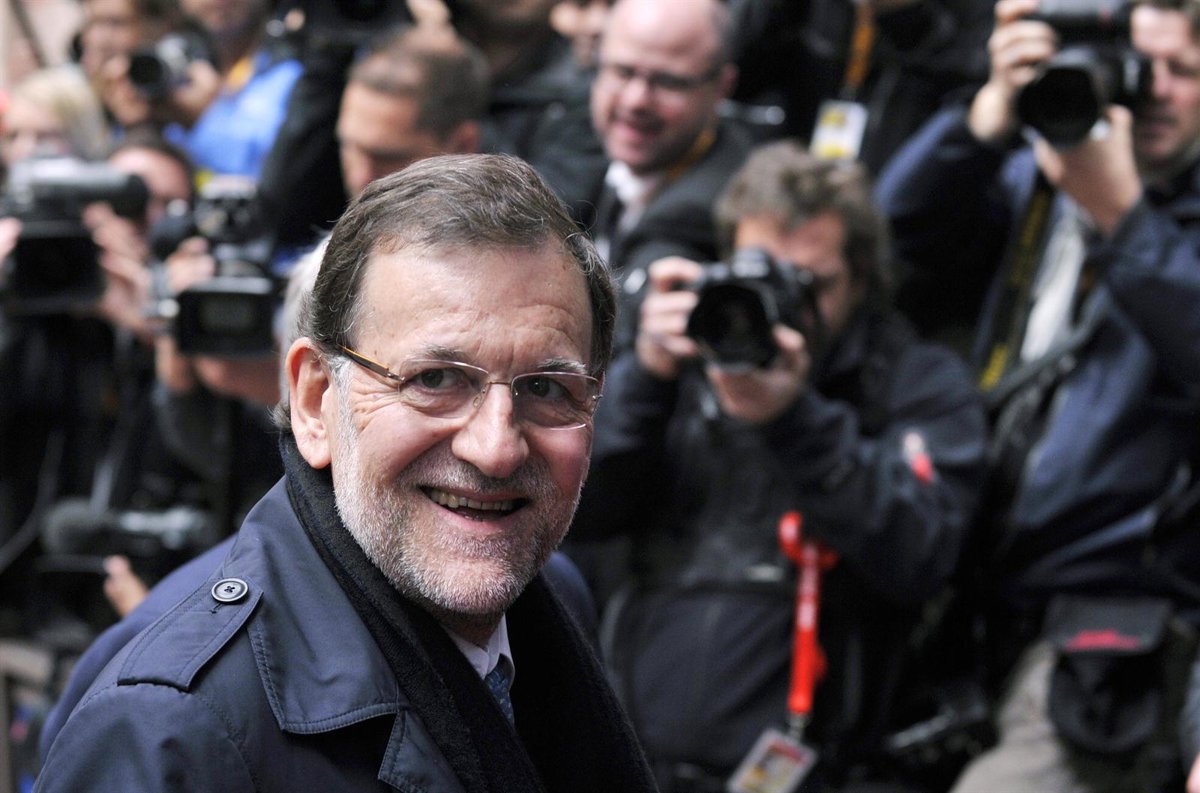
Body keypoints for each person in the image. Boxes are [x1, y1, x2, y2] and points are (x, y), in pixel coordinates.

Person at [35, 152, 653, 793]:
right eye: (434, 380)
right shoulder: (170, 732)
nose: (495, 449)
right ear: (313, 401)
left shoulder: (551, 612)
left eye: (547, 388)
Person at [570, 140, 988, 791]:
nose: (785, 305)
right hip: (633, 762)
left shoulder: (914, 382)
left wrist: (795, 420)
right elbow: (572, 515)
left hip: (827, 770)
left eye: (811, 285)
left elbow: (921, 552)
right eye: (762, 275)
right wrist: (645, 377)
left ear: (862, 278)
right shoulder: (682, 369)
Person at [875, 0, 1200, 789]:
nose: (1150, 88)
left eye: (1182, 71)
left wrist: (1124, 216)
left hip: (1118, 618)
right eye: (1135, 61)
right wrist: (984, 115)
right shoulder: (1042, 174)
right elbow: (891, 232)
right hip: (980, 590)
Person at [584, 0, 753, 349]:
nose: (636, 100)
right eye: (623, 72)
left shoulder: (701, 214)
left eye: (667, 82)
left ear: (722, 87)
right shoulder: (584, 147)